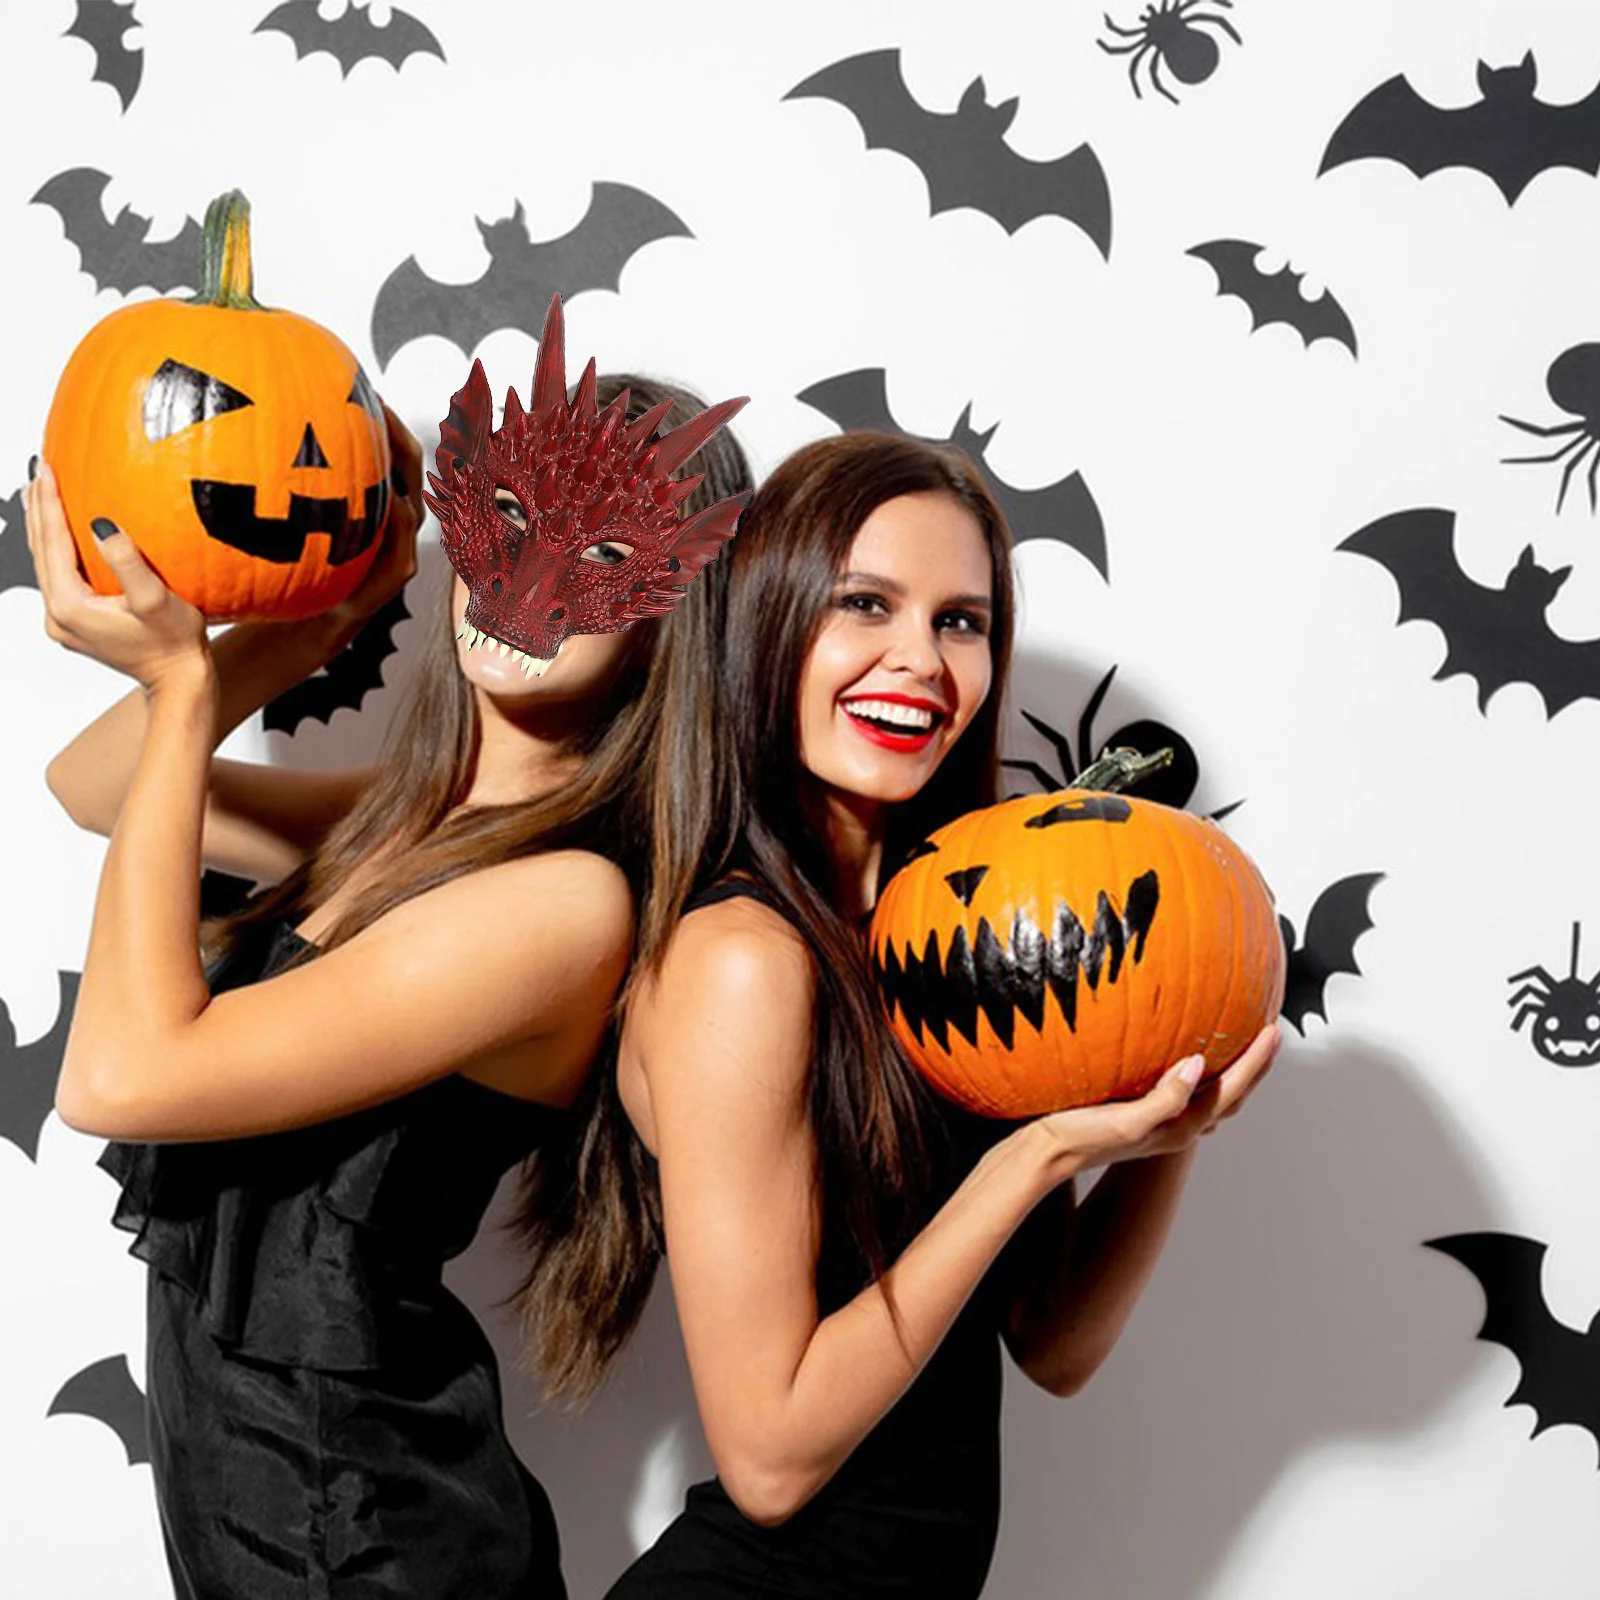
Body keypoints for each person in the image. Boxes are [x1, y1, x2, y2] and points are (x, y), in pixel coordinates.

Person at [28, 338, 754, 1599]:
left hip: (364, 1540)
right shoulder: (402, 823)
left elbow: (120, 1077)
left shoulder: (563, 902)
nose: (527, 581)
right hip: (279, 1523)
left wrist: (184, 682)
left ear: (668, 613)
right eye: (513, 519)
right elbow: (93, 784)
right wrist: (325, 617)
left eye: (595, 557)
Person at [596, 431, 1282, 1598]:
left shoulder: (954, 951)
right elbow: (768, 1457)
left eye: (961, 621)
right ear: (770, 621)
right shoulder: (743, 960)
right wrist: (1044, 1151)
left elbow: (1053, 1344)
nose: (920, 660)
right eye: (866, 604)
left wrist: (1174, 1116)